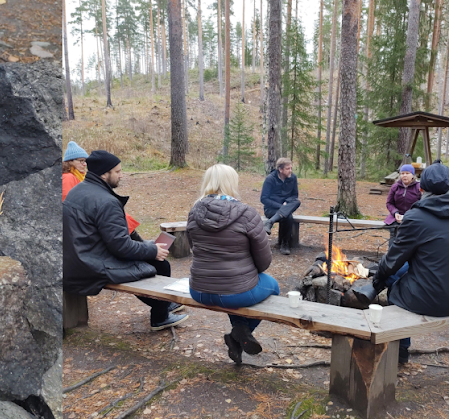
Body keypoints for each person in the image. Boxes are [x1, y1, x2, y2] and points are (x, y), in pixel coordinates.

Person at [63, 150, 188, 331]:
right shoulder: (106, 202)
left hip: (77, 259)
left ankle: (162, 304)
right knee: (160, 265)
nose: (122, 175)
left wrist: (148, 245)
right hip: (91, 266)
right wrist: (152, 250)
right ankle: (160, 316)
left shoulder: (77, 191)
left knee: (150, 260)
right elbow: (120, 246)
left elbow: (110, 239)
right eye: (118, 171)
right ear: (104, 174)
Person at [186, 164, 279, 364]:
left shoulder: (194, 212)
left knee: (231, 287)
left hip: (198, 289)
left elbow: (193, 247)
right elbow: (264, 261)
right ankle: (240, 334)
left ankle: (238, 335)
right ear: (231, 183)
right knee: (273, 286)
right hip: (236, 292)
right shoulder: (246, 213)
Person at [368, 162, 449, 364]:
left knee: (395, 288)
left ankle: (401, 351)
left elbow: (393, 261)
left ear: (421, 188)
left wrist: (378, 280)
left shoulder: (416, 218)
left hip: (430, 300)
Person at [62, 141, 141, 236]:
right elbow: (69, 204)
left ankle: (136, 240)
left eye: (85, 161)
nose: (84, 164)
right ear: (70, 162)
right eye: (81, 161)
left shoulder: (80, 176)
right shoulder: (68, 178)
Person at [260, 157, 301, 255]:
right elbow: (264, 199)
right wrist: (281, 206)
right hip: (271, 209)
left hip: (286, 206)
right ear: (280, 169)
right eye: (288, 169)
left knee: (297, 202)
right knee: (288, 216)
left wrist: (287, 202)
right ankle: (284, 244)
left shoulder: (293, 178)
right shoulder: (270, 179)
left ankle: (271, 223)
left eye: (291, 168)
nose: (290, 170)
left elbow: (294, 196)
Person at [384, 164, 421, 246]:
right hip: (395, 217)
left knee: (410, 237)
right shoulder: (395, 187)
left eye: (407, 173)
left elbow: (422, 204)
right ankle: (392, 257)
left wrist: (409, 215)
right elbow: (389, 203)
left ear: (413, 175)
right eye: (402, 173)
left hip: (413, 217)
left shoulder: (419, 187)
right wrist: (395, 213)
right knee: (394, 234)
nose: (404, 175)